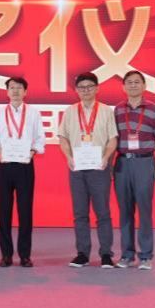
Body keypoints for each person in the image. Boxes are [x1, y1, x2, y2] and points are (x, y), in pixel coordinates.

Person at [57, 71, 118, 268]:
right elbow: (63, 137)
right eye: (82, 87)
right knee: (80, 213)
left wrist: (106, 158)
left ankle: (106, 254)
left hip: (99, 167)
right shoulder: (70, 111)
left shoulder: (107, 111)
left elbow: (113, 139)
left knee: (103, 213)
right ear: (76, 90)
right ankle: (82, 253)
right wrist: (69, 157)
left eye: (89, 87)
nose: (86, 90)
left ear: (97, 88)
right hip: (78, 167)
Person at [0, 76, 45, 267]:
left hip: (24, 165)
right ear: (7, 91)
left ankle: (25, 255)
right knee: (3, 210)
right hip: (4, 165)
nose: (15, 91)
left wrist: (32, 151)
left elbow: (40, 138)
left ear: (25, 92)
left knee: (25, 210)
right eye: (12, 88)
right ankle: (6, 254)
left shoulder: (34, 113)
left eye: (19, 88)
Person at [112, 70, 155, 270]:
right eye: (129, 82)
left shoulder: (154, 109)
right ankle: (127, 255)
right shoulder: (117, 110)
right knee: (125, 210)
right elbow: (112, 139)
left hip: (145, 163)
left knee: (144, 210)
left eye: (137, 82)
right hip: (122, 163)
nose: (133, 85)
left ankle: (145, 256)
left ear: (144, 86)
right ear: (123, 87)